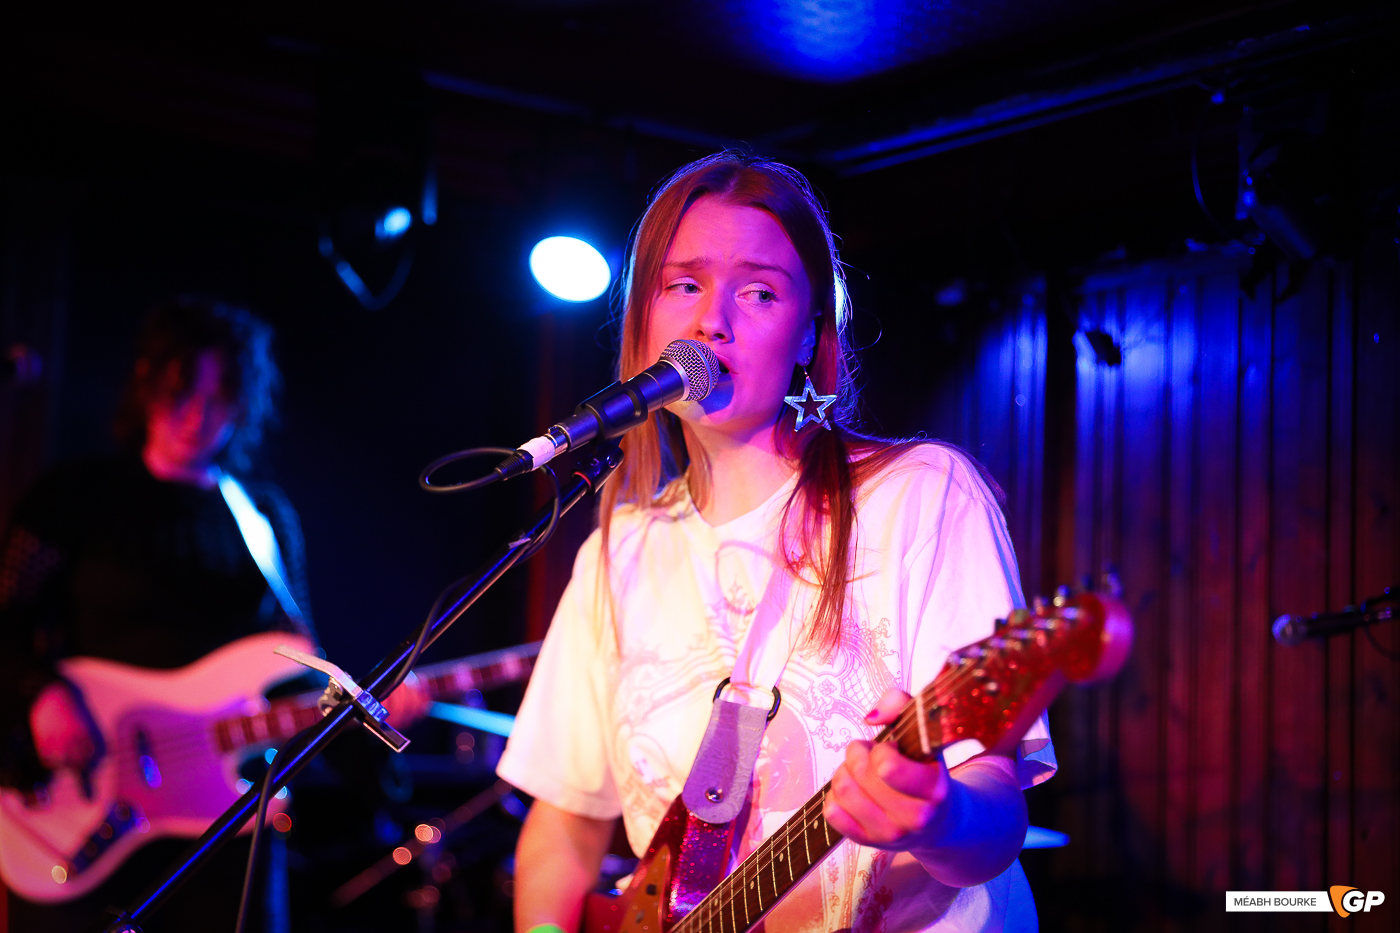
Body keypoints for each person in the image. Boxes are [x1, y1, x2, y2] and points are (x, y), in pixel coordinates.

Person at [497, 152, 1056, 932]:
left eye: (758, 292)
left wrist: (937, 819)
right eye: (684, 284)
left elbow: (994, 819)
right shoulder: (619, 551)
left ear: (808, 336)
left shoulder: (921, 495)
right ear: (646, 319)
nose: (711, 320)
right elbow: (563, 825)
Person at [0, 299, 424, 932]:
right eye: (182, 393)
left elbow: (299, 666)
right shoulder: (74, 495)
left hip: (225, 819)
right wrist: (42, 695)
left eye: (219, 399)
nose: (198, 416)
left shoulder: (263, 516)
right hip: (85, 798)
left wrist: (367, 717)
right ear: (147, 385)